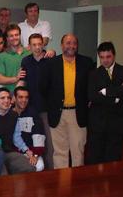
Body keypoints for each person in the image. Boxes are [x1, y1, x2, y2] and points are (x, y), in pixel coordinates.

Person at [39, 33, 93, 169]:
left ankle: (77, 185)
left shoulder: (86, 63)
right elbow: (43, 87)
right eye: (68, 43)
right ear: (62, 45)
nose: (71, 46)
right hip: (58, 113)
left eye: (74, 43)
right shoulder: (51, 63)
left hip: (78, 114)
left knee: (78, 151)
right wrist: (52, 104)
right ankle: (61, 186)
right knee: (60, 152)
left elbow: (91, 86)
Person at [88, 42, 123, 164]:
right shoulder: (94, 74)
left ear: (114, 55)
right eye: (102, 57)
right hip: (98, 123)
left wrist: (105, 91)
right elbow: (93, 96)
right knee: (96, 158)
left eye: (108, 56)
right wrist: (115, 98)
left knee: (113, 158)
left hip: (117, 123)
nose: (105, 60)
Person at [20, 33, 54, 169]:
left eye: (39, 44)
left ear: (43, 44)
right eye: (34, 45)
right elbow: (22, 81)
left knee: (49, 144)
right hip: (29, 108)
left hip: (47, 109)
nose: (37, 47)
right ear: (29, 46)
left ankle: (50, 171)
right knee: (31, 140)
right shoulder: (26, 61)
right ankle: (33, 167)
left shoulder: (50, 60)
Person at [0, 87, 36, 174]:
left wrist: (27, 150)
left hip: (8, 152)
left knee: (29, 168)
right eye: (2, 98)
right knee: (3, 175)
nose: (6, 100)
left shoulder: (14, 115)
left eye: (8, 98)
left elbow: (16, 137)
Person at [12, 87, 46, 172]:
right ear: (14, 98)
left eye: (26, 97)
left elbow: (39, 136)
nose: (24, 100)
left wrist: (35, 155)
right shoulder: (8, 113)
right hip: (14, 153)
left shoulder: (33, 114)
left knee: (39, 166)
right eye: (20, 97)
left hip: (31, 152)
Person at [0, 24, 30, 93]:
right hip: (9, 97)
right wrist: (16, 78)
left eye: (16, 35)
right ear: (7, 38)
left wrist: (52, 52)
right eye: (11, 36)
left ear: (20, 36)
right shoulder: (3, 56)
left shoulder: (29, 53)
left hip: (27, 97)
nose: (14, 37)